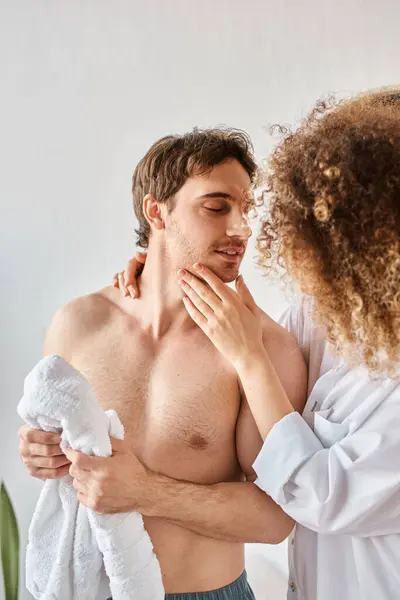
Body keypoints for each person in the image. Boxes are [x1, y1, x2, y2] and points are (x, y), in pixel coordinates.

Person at [111, 88, 400, 600]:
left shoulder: (279, 348)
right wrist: (162, 269)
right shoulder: (331, 312)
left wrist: (248, 359)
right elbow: (253, 318)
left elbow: (319, 497)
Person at [18, 128, 307, 599]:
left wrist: (146, 491)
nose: (241, 228)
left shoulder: (263, 350)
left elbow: (276, 517)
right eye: (217, 207)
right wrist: (38, 451)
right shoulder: (78, 324)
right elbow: (51, 443)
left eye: (245, 209)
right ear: (157, 212)